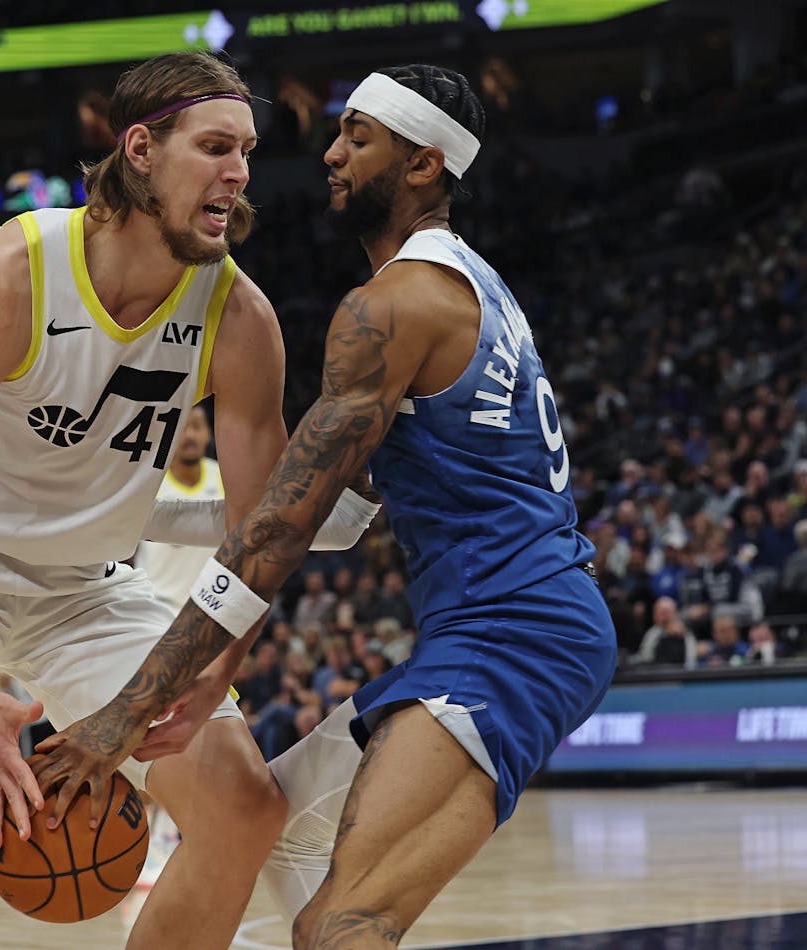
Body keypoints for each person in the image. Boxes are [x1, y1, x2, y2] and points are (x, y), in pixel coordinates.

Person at [0, 52, 378, 950]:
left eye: (247, 152)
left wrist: (220, 663)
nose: (240, 174)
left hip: (87, 589)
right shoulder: (7, 273)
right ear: (140, 149)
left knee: (242, 812)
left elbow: (264, 531)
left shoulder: (239, 318)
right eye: (216, 147)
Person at [33, 64, 617, 948]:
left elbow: (282, 527)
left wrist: (129, 710)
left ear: (422, 165)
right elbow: (342, 512)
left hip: (514, 635)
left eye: (357, 138)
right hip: (513, 625)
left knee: (346, 924)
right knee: (265, 826)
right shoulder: (468, 284)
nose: (331, 155)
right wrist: (132, 514)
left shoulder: (391, 306)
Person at [134, 403, 224, 612]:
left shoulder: (224, 477)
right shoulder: (150, 481)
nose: (189, 435)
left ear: (209, 433)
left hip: (208, 606)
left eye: (196, 426)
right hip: (155, 602)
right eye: (182, 428)